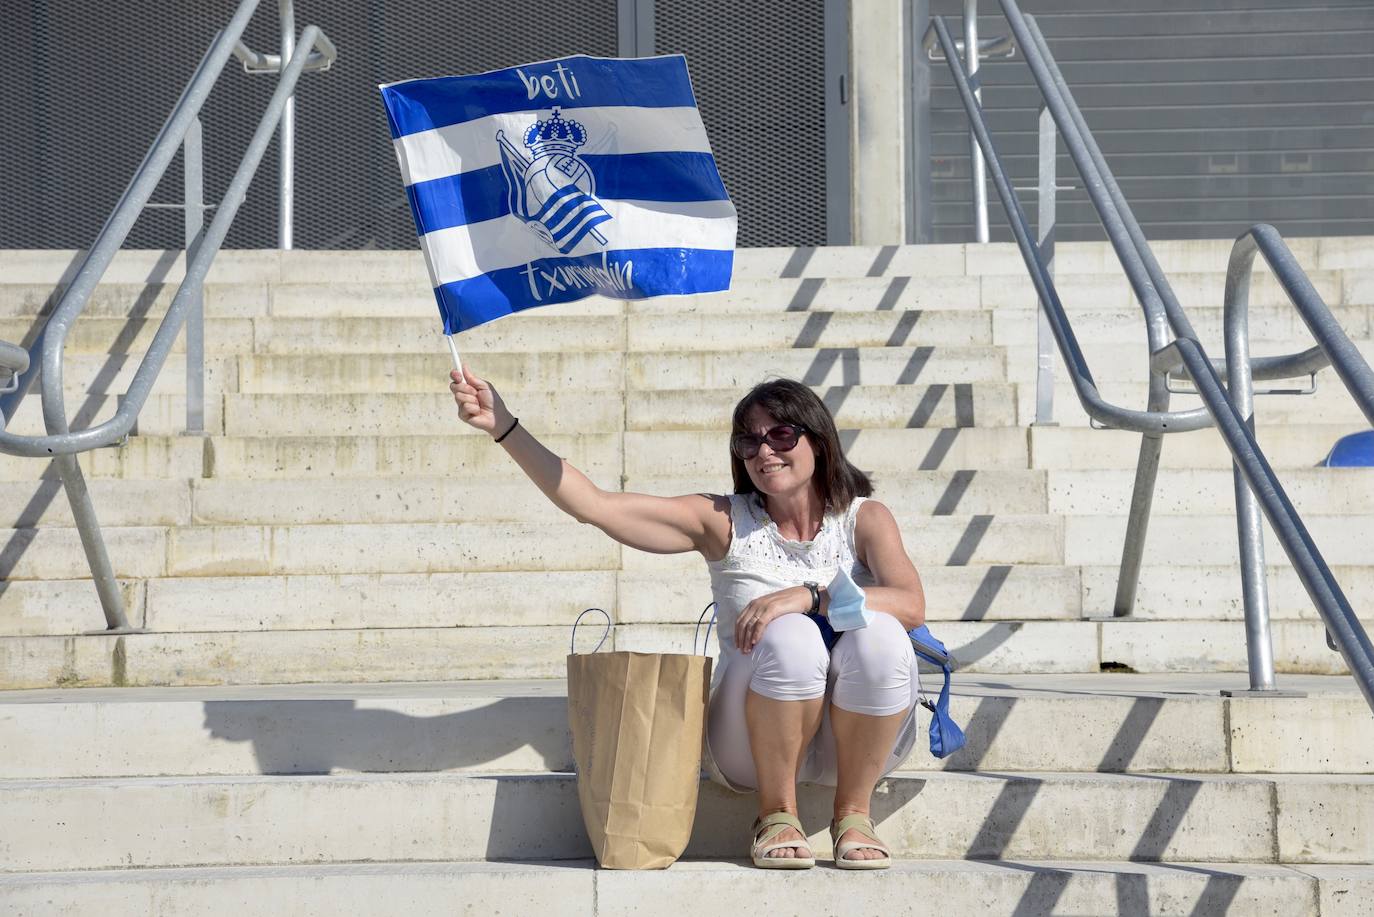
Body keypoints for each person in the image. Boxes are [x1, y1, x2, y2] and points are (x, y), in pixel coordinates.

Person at [450, 368, 926, 870]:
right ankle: (775, 814)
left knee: (883, 636)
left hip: (858, 736)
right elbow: (594, 506)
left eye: (781, 434)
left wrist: (808, 596)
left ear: (819, 439)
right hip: (750, 740)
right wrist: (503, 427)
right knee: (790, 639)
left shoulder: (864, 518)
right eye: (749, 441)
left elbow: (911, 603)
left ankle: (854, 813)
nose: (764, 452)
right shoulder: (724, 521)